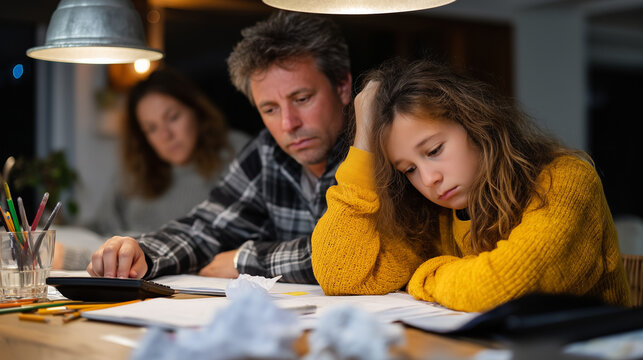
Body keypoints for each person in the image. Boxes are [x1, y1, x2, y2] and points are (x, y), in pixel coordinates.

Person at [311, 59, 631, 312]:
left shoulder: (566, 178)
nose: (428, 179)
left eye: (434, 150)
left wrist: (426, 273)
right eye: (408, 169)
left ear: (474, 124)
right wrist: (363, 143)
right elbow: (341, 275)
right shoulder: (432, 213)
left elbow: (502, 287)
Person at [86, 11, 352, 282]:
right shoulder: (266, 153)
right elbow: (205, 229)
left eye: (303, 98)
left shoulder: (374, 149)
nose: (288, 123)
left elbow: (348, 252)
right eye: (270, 109)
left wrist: (244, 259)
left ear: (342, 86)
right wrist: (141, 253)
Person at [54, 68, 249, 270]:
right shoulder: (135, 172)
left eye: (173, 117)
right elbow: (98, 229)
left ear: (197, 111)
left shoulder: (238, 155)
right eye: (152, 128)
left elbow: (210, 244)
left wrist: (75, 258)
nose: (165, 135)